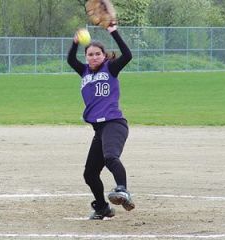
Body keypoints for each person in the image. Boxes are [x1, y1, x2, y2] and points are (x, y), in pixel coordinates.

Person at [67, 24, 135, 220]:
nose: (94, 57)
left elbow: (128, 55)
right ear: (86, 57)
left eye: (98, 54)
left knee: (110, 157)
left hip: (114, 123)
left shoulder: (111, 68)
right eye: (90, 54)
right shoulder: (84, 72)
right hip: (99, 129)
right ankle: (102, 208)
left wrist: (113, 30)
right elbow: (71, 59)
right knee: (89, 174)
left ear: (104, 56)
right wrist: (75, 43)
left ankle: (123, 190)